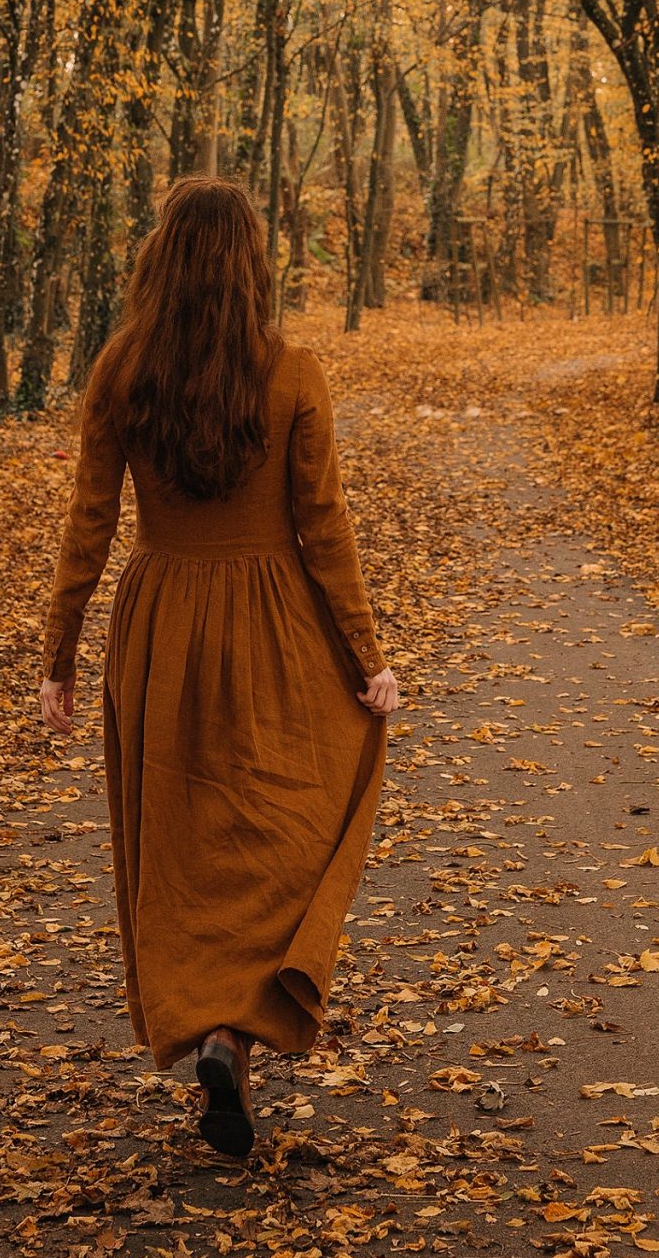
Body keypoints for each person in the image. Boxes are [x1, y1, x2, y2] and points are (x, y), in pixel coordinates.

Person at [36, 176, 399, 1156]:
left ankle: (213, 1033)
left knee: (179, 842)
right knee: (279, 822)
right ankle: (236, 1026)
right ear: (251, 266)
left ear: (162, 261)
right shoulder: (293, 373)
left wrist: (61, 653)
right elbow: (323, 529)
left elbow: (90, 523)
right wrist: (368, 659)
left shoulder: (121, 369)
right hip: (275, 623)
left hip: (159, 628)